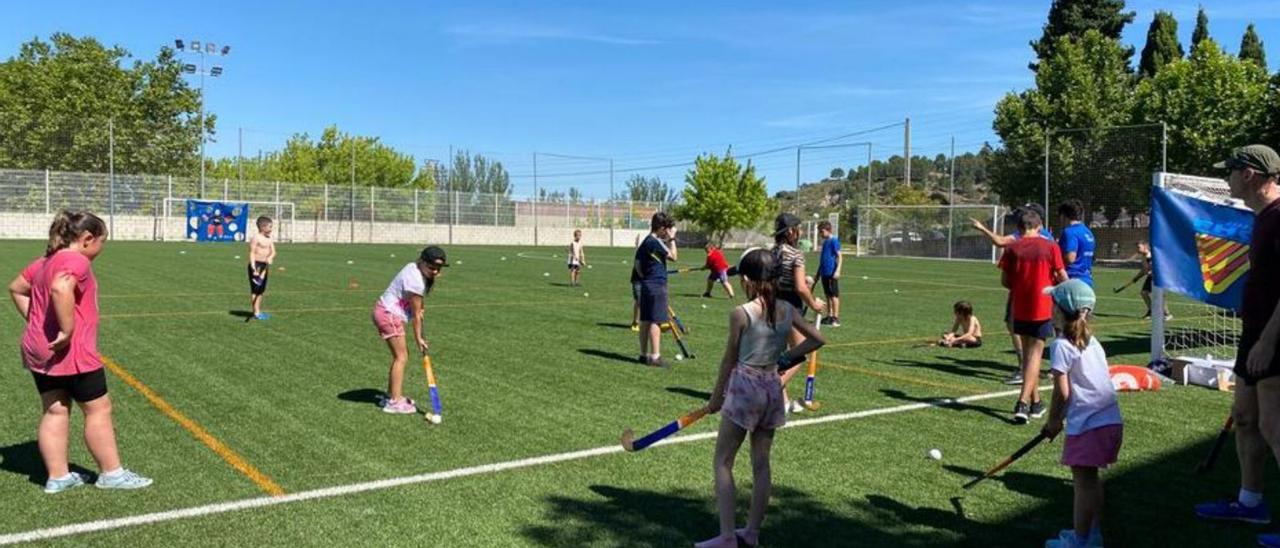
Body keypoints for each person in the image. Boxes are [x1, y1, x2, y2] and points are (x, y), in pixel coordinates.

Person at [6, 211, 152, 493]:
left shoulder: (44, 261)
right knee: (98, 409)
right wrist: (66, 330)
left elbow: (16, 288)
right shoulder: (76, 260)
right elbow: (62, 288)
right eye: (102, 241)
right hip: (71, 352)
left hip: (39, 351)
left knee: (55, 410)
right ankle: (112, 474)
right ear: (87, 239)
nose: (102, 247)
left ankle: (58, 477)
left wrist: (37, 321)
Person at [697, 249, 825, 548]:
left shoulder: (741, 313)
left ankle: (728, 537)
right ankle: (751, 533)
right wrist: (785, 358)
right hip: (771, 388)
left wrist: (716, 397)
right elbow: (818, 339)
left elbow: (729, 359)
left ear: (746, 280)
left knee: (723, 461)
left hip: (745, 388)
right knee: (761, 464)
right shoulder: (788, 309)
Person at [1193, 145, 1280, 548]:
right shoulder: (1263, 218)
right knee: (1245, 418)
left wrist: (1267, 340)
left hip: (1273, 338)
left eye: (1229, 171)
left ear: (1248, 174)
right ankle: (1251, 502)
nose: (1225, 179)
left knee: (1274, 428)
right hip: (1255, 335)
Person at [1041, 279, 1123, 548]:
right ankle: (1092, 535)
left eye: (1053, 304)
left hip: (1089, 424)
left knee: (1083, 485)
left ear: (1059, 310)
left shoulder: (1061, 346)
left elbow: (1062, 393)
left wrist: (1054, 421)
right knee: (1091, 480)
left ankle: (1080, 541)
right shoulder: (1092, 341)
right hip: (1110, 421)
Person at [999, 208, 1068, 424]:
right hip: (1041, 308)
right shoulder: (1050, 246)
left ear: (1019, 228)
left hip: (1020, 307)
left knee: (1030, 356)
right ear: (1039, 227)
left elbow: (1005, 281)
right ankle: (1022, 403)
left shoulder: (1012, 248)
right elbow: (1061, 275)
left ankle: (1036, 402)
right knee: (1034, 356)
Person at [972, 205, 1055, 385]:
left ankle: (1023, 369)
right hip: (1043, 293)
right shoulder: (1046, 238)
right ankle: (1032, 385)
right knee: (1037, 337)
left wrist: (982, 228)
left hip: (1025, 291)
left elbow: (1001, 242)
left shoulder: (1024, 236)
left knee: (1017, 327)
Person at [372, 246, 448, 414]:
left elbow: (418, 306)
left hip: (384, 311)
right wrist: (419, 338)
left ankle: (392, 395)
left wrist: (421, 308)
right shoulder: (416, 281)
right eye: (432, 267)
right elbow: (415, 316)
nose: (435, 271)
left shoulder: (412, 267)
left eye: (438, 268)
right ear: (422, 262)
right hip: (388, 314)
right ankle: (394, 402)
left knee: (399, 356)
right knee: (401, 357)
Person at [771, 213, 826, 413]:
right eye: (798, 228)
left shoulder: (773, 251)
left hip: (772, 305)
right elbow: (801, 288)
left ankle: (783, 403)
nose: (801, 232)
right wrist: (815, 305)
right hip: (790, 308)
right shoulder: (796, 254)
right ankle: (770, 388)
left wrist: (804, 283)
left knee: (781, 355)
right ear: (791, 231)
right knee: (799, 353)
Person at [635, 212, 678, 367]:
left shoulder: (645, 242)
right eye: (665, 229)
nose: (666, 232)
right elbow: (674, 256)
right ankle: (655, 357)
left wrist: (646, 277)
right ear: (660, 227)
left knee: (645, 320)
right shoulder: (655, 241)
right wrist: (672, 238)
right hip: (657, 284)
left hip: (646, 283)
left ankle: (643, 354)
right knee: (656, 320)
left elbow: (638, 265)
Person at [1126, 241, 1171, 321]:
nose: (1137, 249)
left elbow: (1160, 266)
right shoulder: (1143, 257)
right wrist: (1136, 278)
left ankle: (1167, 314)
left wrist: (1152, 271)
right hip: (1150, 277)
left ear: (1145, 247)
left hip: (1159, 277)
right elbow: (1144, 269)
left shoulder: (1151, 256)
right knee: (1144, 293)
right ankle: (1152, 311)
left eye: (1139, 247)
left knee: (1159, 295)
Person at [1057, 200, 1096, 287]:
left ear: (1063, 215)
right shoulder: (1088, 232)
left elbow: (1070, 258)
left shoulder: (1069, 232)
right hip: (1087, 280)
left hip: (1073, 281)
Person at [814, 221, 843, 327]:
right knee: (827, 295)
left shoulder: (834, 241)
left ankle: (835, 317)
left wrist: (838, 270)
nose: (820, 234)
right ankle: (829, 316)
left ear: (828, 230)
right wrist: (817, 275)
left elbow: (839, 256)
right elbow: (822, 260)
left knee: (834, 295)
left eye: (822, 232)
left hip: (831, 272)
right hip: (824, 272)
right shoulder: (825, 242)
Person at [247, 216, 276, 321]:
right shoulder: (256, 238)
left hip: (265, 265)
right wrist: (253, 268)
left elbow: (273, 251)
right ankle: (256, 312)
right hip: (256, 266)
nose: (271, 229)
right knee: (255, 289)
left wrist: (270, 257)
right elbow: (252, 253)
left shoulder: (270, 238)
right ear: (262, 227)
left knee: (261, 290)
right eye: (269, 227)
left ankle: (257, 311)